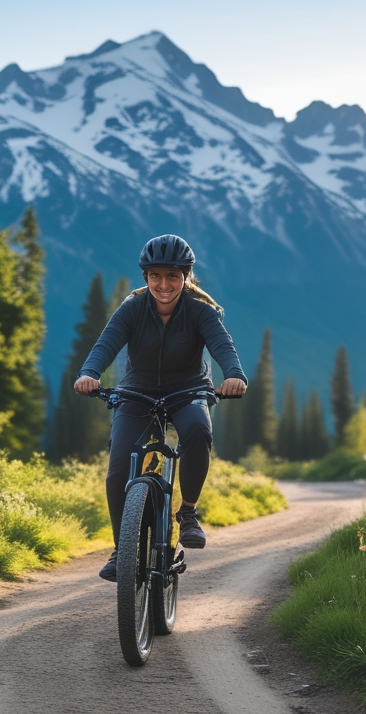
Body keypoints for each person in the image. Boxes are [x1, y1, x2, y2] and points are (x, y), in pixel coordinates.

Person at [74, 234, 248, 581]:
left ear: (186, 277)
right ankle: (122, 550)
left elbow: (222, 346)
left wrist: (235, 375)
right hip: (137, 391)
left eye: (172, 276)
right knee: (119, 465)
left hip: (188, 390)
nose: (163, 284)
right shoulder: (133, 309)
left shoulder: (201, 311)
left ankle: (187, 514)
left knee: (198, 431)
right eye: (155, 276)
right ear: (145, 278)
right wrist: (88, 373)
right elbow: (106, 343)